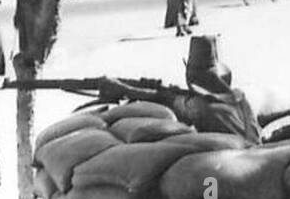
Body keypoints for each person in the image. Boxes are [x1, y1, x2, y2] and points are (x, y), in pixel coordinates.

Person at [99, 35, 260, 142]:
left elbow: (162, 98)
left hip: (223, 167)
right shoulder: (241, 99)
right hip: (256, 158)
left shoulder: (197, 106)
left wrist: (124, 88)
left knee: (206, 184)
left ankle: (209, 196)